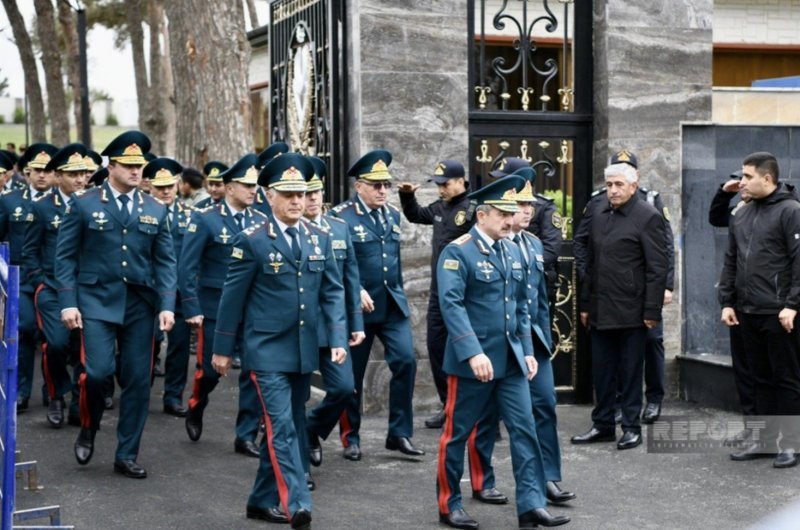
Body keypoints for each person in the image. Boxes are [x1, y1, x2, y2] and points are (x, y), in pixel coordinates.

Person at [211, 153, 347, 529]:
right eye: (288, 194)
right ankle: (297, 503)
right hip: (266, 350)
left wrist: (337, 337)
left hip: (303, 350)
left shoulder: (320, 238)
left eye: (301, 194)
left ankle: (260, 500)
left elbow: (332, 292)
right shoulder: (252, 240)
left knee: (292, 424)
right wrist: (222, 349)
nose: (296, 201)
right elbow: (231, 299)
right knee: (282, 426)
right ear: (269, 195)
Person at [436, 175, 569, 530]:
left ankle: (531, 505)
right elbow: (451, 305)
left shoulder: (511, 249)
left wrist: (527, 349)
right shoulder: (458, 251)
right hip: (473, 365)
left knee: (525, 430)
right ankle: (449, 504)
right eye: (503, 214)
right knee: (457, 434)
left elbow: (521, 305)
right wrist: (472, 352)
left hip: (510, 362)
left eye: (512, 213)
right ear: (482, 215)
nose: (510, 220)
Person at [55, 131, 177, 478]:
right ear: (111, 167)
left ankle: (126, 453)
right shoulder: (84, 203)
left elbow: (165, 262)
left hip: (140, 303)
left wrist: (167, 304)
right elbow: (65, 257)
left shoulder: (155, 208)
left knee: (138, 380)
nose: (136, 171)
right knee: (97, 374)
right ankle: (88, 425)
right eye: (128, 165)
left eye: (140, 166)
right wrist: (68, 302)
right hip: (96, 299)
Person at [330, 149, 424, 461]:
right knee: (353, 376)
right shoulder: (341, 217)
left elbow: (393, 261)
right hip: (358, 308)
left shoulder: (392, 215)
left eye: (386, 185)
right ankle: (350, 437)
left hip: (391, 304)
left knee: (406, 361)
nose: (383, 190)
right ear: (359, 186)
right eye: (376, 185)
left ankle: (399, 433)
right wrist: (354, 290)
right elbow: (335, 264)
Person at [571, 161, 667, 450]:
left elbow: (657, 268)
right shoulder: (599, 213)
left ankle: (631, 427)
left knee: (630, 372)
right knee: (602, 372)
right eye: (609, 185)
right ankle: (602, 425)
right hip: (600, 309)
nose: (612, 190)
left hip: (632, 311)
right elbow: (590, 263)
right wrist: (585, 304)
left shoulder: (648, 216)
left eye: (618, 185)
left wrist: (651, 311)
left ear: (633, 186)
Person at [180, 154, 266, 457]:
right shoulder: (206, 218)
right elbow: (187, 266)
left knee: (253, 371)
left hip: (252, 309)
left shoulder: (260, 220)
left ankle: (245, 435)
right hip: (215, 308)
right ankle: (196, 404)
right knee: (211, 371)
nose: (253, 190)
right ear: (229, 188)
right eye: (247, 185)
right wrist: (191, 307)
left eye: (255, 185)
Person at [719, 152, 800, 469]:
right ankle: (764, 442)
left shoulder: (791, 211)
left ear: (767, 178)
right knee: (760, 379)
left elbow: (799, 262)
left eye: (748, 176)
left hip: (780, 312)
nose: (742, 182)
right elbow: (731, 260)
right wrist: (727, 301)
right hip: (746, 310)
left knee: (787, 379)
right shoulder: (742, 213)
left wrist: (792, 305)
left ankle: (791, 444)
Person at [510, 168, 576, 504]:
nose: (527, 210)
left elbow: (537, 298)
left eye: (529, 204)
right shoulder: (485, 244)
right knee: (483, 418)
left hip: (533, 338)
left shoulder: (534, 244)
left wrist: (543, 336)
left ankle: (548, 478)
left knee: (545, 405)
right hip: (501, 341)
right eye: (519, 204)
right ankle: (482, 480)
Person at [302, 156, 365, 490]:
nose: (312, 198)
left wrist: (356, 323)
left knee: (342, 388)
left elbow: (350, 281)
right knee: (295, 397)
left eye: (317, 192)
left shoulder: (339, 228)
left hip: (333, 327)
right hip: (298, 327)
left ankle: (311, 429)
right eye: (306, 192)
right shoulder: (288, 231)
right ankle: (299, 468)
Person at [398, 160, 474, 429]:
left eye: (445, 184)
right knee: (436, 347)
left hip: (464, 294)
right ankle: (448, 405)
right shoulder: (441, 207)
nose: (441, 189)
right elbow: (416, 215)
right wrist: (407, 196)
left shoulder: (474, 208)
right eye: (438, 185)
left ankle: (474, 409)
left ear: (461, 181)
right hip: (438, 291)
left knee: (467, 349)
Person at [23, 144, 88, 428]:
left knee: (83, 349)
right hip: (51, 288)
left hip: (85, 288)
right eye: (73, 174)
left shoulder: (94, 204)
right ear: (58, 176)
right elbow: (29, 251)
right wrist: (39, 281)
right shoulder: (42, 207)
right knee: (57, 345)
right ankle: (56, 394)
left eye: (83, 173)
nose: (79, 179)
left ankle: (77, 400)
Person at [0, 142, 57, 412]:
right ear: (27, 172)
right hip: (20, 277)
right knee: (24, 329)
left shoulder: (65, 203)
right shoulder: (9, 201)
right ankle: (21, 390)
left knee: (53, 337)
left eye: (47, 170)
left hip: (53, 277)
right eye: (37, 170)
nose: (42, 175)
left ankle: (53, 390)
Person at [147, 157, 193, 417]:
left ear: (177, 185)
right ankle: (140, 389)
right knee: (147, 342)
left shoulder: (190, 215)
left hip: (180, 291)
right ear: (150, 186)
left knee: (179, 345)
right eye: (160, 187)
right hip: (148, 289)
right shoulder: (143, 211)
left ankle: (173, 396)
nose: (165, 191)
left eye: (170, 186)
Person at [489, 157, 562, 300]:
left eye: (505, 179)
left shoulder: (543, 207)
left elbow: (551, 248)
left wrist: (521, 266)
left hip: (535, 280)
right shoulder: (494, 204)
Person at [253, 141, 290, 216]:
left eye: (283, 171)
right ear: (261, 173)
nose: (279, 176)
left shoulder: (293, 199)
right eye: (274, 172)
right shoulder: (251, 203)